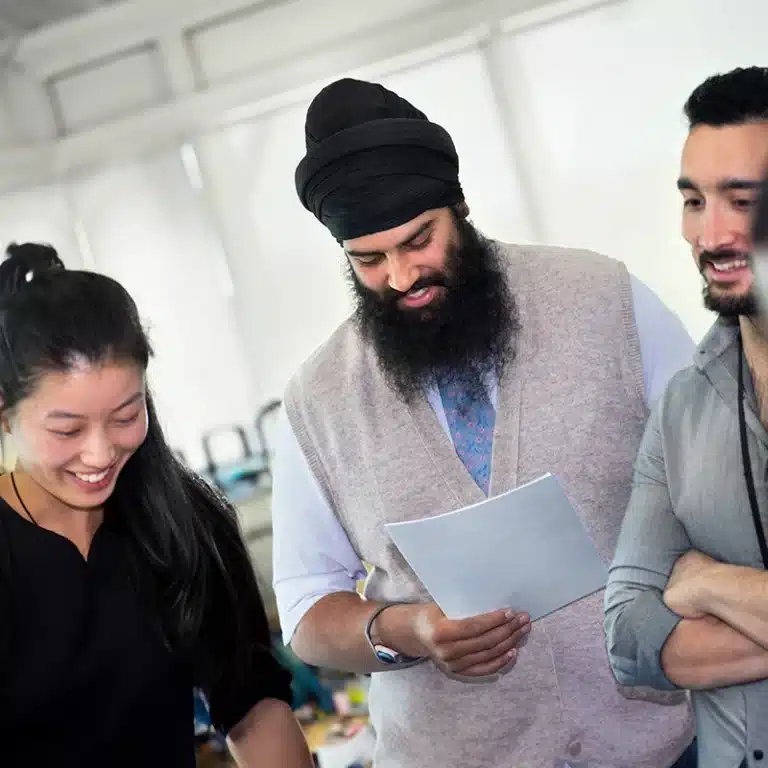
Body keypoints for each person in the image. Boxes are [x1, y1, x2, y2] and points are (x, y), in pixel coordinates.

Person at [271, 77, 697, 767]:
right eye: (369, 260)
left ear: (460, 208)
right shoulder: (315, 401)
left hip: (659, 741)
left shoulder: (603, 299)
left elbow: (711, 475)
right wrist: (409, 630)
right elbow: (306, 612)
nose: (403, 276)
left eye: (419, 241)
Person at [0, 242, 314, 768]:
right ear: (6, 414)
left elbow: (251, 704)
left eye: (126, 416)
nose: (100, 454)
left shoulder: (183, 521)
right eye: (67, 429)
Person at [604, 66, 768, 768]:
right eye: (695, 201)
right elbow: (629, 636)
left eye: (741, 200)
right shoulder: (681, 407)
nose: (713, 233)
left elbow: (664, 609)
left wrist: (704, 583)